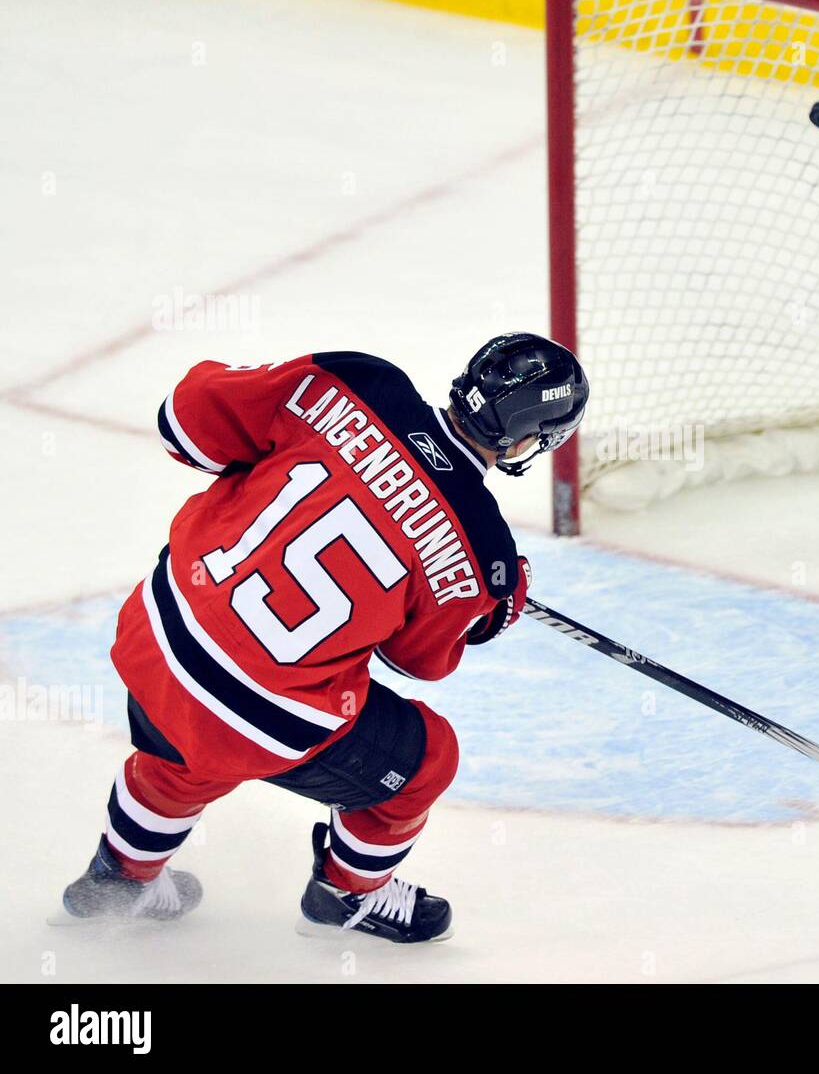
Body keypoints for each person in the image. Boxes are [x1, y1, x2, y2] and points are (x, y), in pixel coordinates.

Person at [59, 335, 588, 944]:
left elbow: (183, 421)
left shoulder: (359, 381)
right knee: (426, 759)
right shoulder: (482, 551)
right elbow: (417, 660)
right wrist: (493, 607)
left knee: (191, 733)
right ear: (532, 442)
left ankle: (119, 879)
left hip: (155, 632)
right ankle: (346, 895)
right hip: (255, 718)